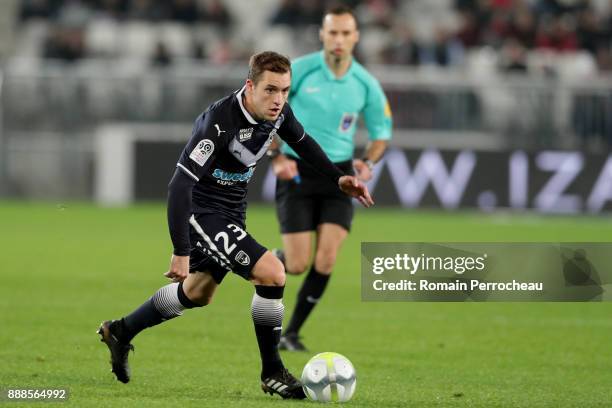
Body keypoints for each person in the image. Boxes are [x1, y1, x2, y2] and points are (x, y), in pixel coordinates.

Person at [97, 51, 373, 400]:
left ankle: (121, 330)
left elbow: (302, 143)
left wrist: (338, 180)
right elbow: (179, 186)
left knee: (198, 293)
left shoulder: (279, 113)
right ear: (250, 86)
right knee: (272, 273)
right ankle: (272, 371)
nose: (278, 100)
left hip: (232, 210)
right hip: (202, 211)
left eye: (285, 91)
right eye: (270, 90)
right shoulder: (218, 123)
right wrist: (180, 251)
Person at [268, 5, 392, 351]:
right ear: (322, 35)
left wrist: (367, 162)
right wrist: (276, 156)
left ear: (356, 37)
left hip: (340, 175)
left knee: (326, 259)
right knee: (295, 264)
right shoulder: (301, 71)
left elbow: (382, 132)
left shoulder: (365, 83)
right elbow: (267, 114)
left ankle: (290, 334)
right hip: (296, 171)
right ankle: (263, 259)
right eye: (332, 32)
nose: (338, 39)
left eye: (345, 33)